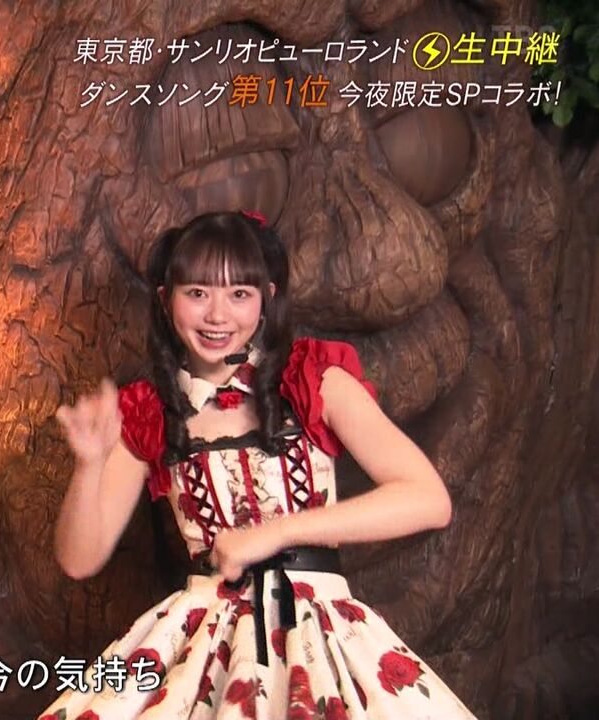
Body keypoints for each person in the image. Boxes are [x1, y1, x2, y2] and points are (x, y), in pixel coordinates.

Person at [39, 211, 475, 719]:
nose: (217, 315)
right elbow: (79, 560)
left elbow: (428, 499)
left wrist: (275, 533)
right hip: (205, 639)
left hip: (320, 632)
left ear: (266, 298)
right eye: (197, 293)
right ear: (165, 299)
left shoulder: (313, 380)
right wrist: (90, 466)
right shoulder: (150, 411)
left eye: (239, 294)